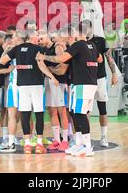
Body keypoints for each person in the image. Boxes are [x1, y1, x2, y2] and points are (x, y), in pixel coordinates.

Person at [37, 23, 103, 157]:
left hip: (82, 85)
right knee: (74, 113)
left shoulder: (78, 45)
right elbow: (100, 59)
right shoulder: (92, 45)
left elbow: (61, 59)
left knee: (79, 114)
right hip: (87, 83)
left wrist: (44, 57)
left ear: (77, 33)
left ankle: (87, 146)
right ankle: (78, 144)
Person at [0, 30, 58, 155]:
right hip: (36, 85)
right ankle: (39, 145)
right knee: (38, 114)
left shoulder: (16, 49)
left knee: (25, 114)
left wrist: (7, 50)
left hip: (22, 86)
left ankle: (26, 145)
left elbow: (2, 61)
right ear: (30, 37)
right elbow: (48, 62)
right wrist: (52, 77)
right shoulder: (37, 49)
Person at [85, 20, 118, 148]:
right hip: (86, 79)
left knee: (102, 107)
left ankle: (104, 136)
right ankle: (85, 136)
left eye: (88, 28)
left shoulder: (100, 40)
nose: (86, 31)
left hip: (100, 78)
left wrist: (114, 73)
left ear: (92, 29)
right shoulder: (80, 41)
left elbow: (109, 57)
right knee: (85, 110)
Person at [38, 31, 70, 152]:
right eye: (39, 38)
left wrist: (50, 71)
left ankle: (65, 140)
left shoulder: (57, 46)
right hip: (48, 81)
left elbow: (61, 67)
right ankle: (56, 140)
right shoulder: (41, 50)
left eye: (42, 37)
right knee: (51, 110)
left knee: (62, 110)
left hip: (59, 82)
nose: (40, 40)